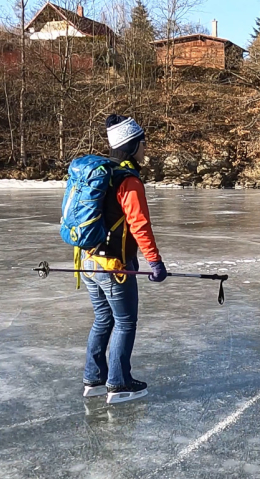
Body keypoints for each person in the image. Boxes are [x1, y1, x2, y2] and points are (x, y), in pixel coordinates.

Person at [81, 115, 167, 404]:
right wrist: (155, 261)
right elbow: (139, 224)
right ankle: (118, 383)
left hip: (88, 260)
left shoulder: (102, 172)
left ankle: (93, 379)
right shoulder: (128, 180)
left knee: (103, 318)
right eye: (143, 143)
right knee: (125, 322)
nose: (146, 149)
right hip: (113, 265)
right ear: (131, 146)